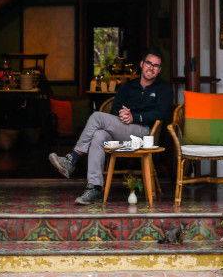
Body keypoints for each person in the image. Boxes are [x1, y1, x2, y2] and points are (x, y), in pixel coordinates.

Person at [49, 48, 172, 205]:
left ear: (159, 69)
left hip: (145, 133)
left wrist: (134, 116)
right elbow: (115, 111)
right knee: (98, 135)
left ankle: (72, 158)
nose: (151, 67)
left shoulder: (164, 88)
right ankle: (94, 189)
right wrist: (123, 114)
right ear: (142, 64)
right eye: (149, 63)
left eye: (156, 65)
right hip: (123, 129)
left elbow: (161, 113)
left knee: (96, 116)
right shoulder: (128, 87)